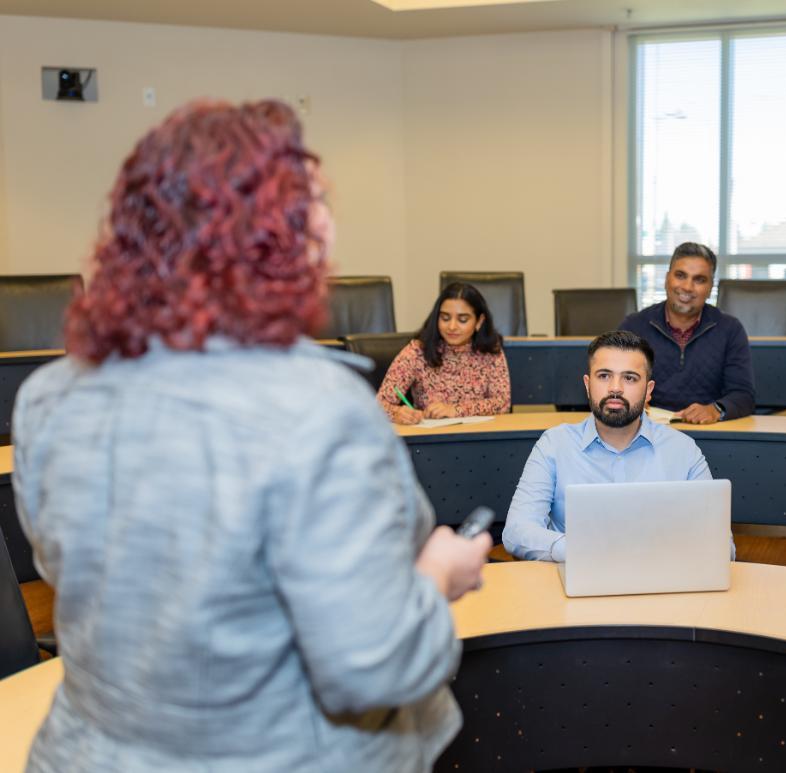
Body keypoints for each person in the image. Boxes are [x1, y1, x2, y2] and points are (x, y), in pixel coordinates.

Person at [12, 100, 491, 771]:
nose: (327, 220)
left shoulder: (49, 397)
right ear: (271, 233)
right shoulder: (319, 410)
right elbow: (373, 664)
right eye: (310, 201)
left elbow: (82, 577)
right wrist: (439, 572)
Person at [503, 330, 720, 561]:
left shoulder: (683, 450)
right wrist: (581, 552)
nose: (615, 388)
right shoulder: (555, 444)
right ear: (587, 385)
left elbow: (721, 544)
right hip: (574, 578)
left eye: (629, 378)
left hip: (659, 583)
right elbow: (516, 531)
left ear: (649, 390)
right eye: (604, 376)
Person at [619, 242, 755, 424]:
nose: (688, 287)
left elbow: (743, 395)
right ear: (667, 279)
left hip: (708, 432)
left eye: (699, 279)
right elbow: (612, 384)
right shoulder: (633, 326)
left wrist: (715, 409)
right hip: (645, 431)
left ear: (710, 287)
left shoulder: (730, 329)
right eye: (680, 275)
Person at [377, 282, 510, 424]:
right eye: (445, 318)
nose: (452, 327)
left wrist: (456, 410)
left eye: (462, 319)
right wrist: (397, 413)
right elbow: (379, 405)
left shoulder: (490, 351)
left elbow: (502, 403)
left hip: (479, 438)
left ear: (479, 321)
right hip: (431, 439)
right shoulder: (417, 351)